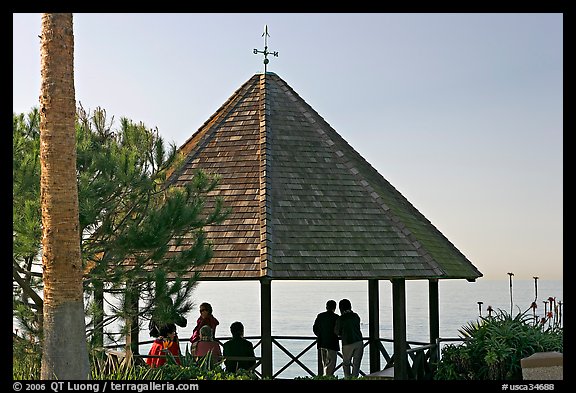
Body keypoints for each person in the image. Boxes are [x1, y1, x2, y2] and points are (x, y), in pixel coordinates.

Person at [334, 298, 363, 378]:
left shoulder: (341, 319)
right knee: (356, 363)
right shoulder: (356, 316)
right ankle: (355, 377)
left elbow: (337, 332)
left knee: (346, 363)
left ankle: (347, 377)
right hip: (359, 341)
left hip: (347, 342)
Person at [313, 299, 340, 376]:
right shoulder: (336, 317)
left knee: (324, 362)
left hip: (322, 343)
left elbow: (315, 328)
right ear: (335, 308)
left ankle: (324, 376)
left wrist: (320, 335)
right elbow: (338, 330)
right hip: (332, 343)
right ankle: (328, 377)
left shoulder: (320, 316)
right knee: (331, 364)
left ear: (326, 307)